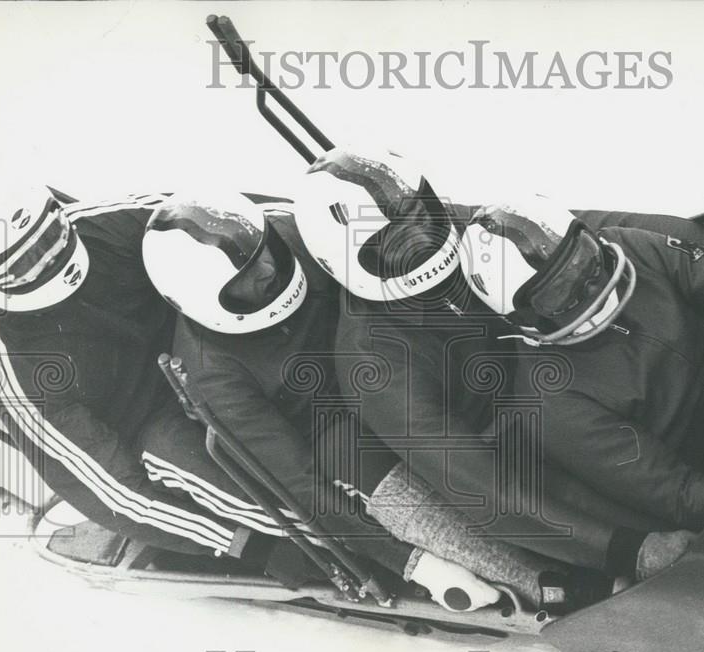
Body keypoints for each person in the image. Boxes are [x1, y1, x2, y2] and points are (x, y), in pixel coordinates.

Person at [295, 146, 696, 596]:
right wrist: (626, 549)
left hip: (564, 376)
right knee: (676, 518)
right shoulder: (375, 363)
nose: (420, 241)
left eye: (420, 219)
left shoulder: (456, 229)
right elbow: (474, 481)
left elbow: (576, 227)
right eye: (396, 244)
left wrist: (700, 240)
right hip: (519, 452)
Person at [140, 191, 505, 611]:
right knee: (351, 459)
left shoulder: (294, 237)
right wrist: (415, 564)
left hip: (389, 367)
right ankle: (534, 575)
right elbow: (297, 482)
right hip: (337, 436)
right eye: (245, 276)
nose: (268, 269)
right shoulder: (211, 371)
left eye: (265, 252)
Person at [456, 196, 704, 535]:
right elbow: (681, 496)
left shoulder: (625, 246)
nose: (593, 284)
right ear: (526, 315)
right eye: (560, 291)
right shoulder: (551, 403)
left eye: (583, 259)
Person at [0, 163, 250, 560]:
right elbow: (110, 489)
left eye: (51, 241)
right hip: (154, 430)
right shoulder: (11, 366)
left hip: (217, 353)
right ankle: (323, 542)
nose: (50, 264)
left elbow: (241, 223)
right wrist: (244, 545)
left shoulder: (112, 224)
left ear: (60, 217)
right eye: (26, 264)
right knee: (196, 458)